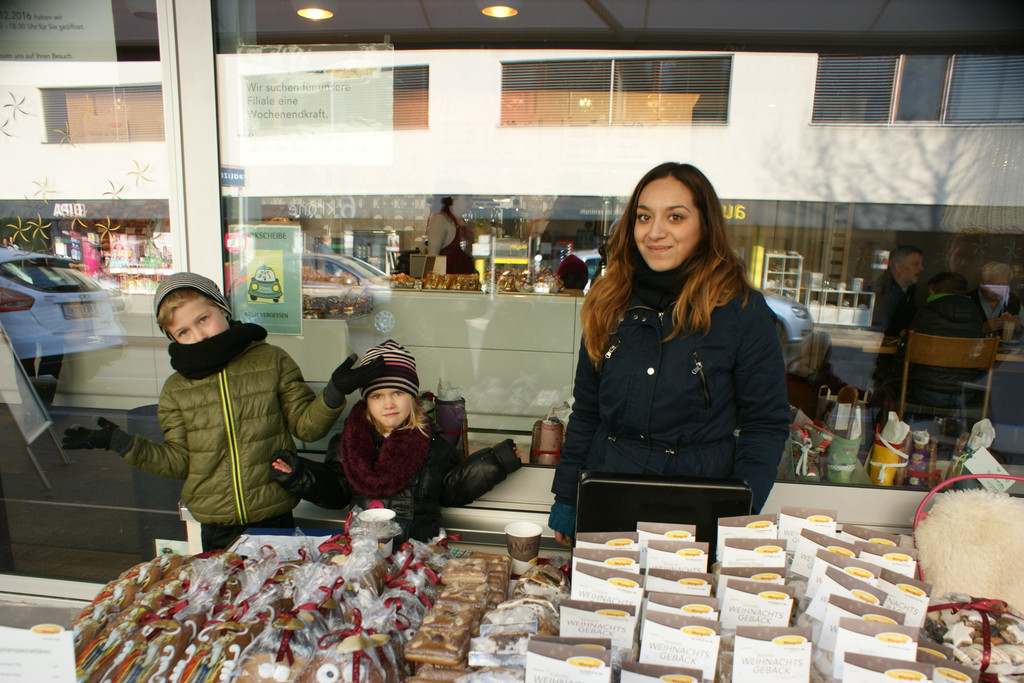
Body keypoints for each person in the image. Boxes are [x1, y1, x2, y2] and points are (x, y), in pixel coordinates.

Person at [546, 162, 789, 547]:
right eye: (644, 217)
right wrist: (567, 497)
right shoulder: (608, 302)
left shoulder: (741, 311)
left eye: (675, 217)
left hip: (697, 508)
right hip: (609, 498)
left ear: (705, 225)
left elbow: (765, 425)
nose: (655, 232)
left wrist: (739, 515)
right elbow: (588, 411)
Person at [60, 272, 379, 551]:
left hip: (274, 514)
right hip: (217, 526)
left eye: (203, 319)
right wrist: (121, 443)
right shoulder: (176, 389)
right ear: (173, 338)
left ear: (222, 309)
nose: (199, 335)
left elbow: (307, 428)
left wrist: (333, 392)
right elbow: (179, 461)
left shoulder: (271, 360)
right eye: (183, 332)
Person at [269, 339, 522, 543]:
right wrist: (299, 474)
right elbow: (336, 491)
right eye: (377, 396)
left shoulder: (432, 442)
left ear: (412, 397)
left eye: (398, 392)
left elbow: (452, 489)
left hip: (419, 550)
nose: (388, 403)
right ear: (366, 401)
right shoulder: (349, 443)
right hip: (365, 550)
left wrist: (496, 461)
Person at [899, 271, 986, 407]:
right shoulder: (976, 313)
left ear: (934, 292)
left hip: (928, 391)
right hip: (965, 393)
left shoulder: (927, 311)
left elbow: (907, 348)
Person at [873, 245, 924, 339]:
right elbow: (878, 326)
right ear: (899, 267)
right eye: (916, 264)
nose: (921, 268)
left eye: (921, 264)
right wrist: (899, 332)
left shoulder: (913, 290)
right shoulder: (883, 291)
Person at [969, 261, 1022, 339]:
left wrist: (1018, 328)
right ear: (982, 282)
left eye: (1004, 285)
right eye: (995, 285)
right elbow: (956, 334)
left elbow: (1022, 339)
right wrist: (981, 329)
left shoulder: (1013, 301)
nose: (999, 290)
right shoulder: (967, 300)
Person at [426, 196, 476, 274]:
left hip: (466, 277)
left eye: (471, 199)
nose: (471, 202)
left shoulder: (462, 221)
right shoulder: (440, 219)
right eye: (466, 199)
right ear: (453, 200)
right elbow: (433, 256)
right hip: (449, 278)